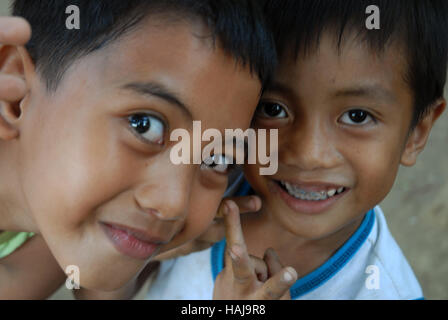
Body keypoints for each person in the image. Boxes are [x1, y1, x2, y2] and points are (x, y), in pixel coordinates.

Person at [146, 0, 447, 300]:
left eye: (357, 116)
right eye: (273, 109)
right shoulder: (196, 188)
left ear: (416, 134)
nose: (309, 154)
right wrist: (147, 251)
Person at [0, 0, 285, 299]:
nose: (174, 204)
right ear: (16, 96)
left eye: (217, 159)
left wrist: (131, 240)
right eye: (143, 125)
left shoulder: (45, 205)